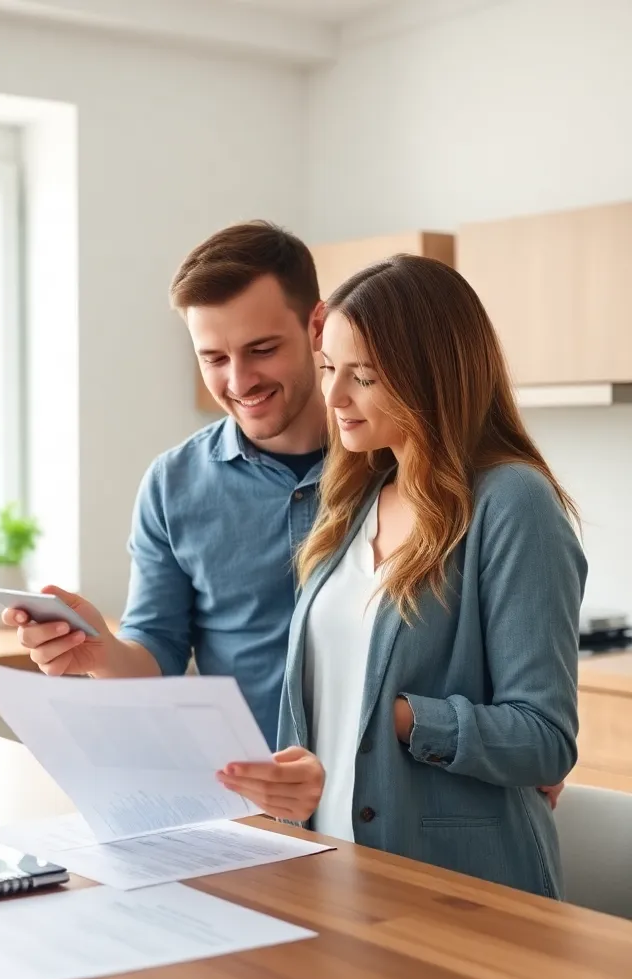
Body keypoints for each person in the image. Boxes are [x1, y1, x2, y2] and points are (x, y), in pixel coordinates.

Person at [216, 254, 585, 897]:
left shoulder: (511, 502)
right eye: (329, 367)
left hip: (462, 891)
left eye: (363, 376)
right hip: (333, 875)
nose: (332, 397)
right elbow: (326, 719)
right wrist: (297, 777)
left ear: (430, 379)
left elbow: (544, 740)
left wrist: (404, 718)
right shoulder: (355, 502)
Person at [3, 221, 327, 750]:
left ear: (318, 327)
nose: (240, 382)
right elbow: (158, 649)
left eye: (262, 349)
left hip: (382, 802)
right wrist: (100, 651)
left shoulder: (395, 465)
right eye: (214, 359)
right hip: (251, 799)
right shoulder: (173, 483)